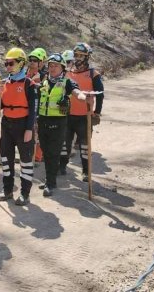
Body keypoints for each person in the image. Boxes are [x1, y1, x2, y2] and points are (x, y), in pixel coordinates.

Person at [37, 53, 89, 197]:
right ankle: (49, 179)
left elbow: (76, 91)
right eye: (50, 65)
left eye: (55, 65)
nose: (52, 68)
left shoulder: (66, 82)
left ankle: (50, 183)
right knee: (46, 153)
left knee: (53, 152)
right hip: (43, 121)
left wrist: (82, 96)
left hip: (58, 122)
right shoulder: (44, 81)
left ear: (62, 68)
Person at [0, 48, 37, 205]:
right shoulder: (5, 83)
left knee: (25, 161)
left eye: (11, 63)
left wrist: (29, 130)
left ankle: (25, 193)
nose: (8, 66)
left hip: (23, 124)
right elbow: (0, 106)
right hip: (7, 125)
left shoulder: (29, 84)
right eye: (6, 64)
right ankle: (7, 190)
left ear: (21, 63)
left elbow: (33, 109)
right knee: (6, 159)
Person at [59, 43, 104, 181]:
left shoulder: (93, 74)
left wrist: (96, 112)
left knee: (84, 145)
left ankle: (85, 171)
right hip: (68, 115)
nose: (77, 58)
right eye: (76, 55)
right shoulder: (68, 72)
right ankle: (61, 167)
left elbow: (100, 94)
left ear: (87, 57)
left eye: (81, 55)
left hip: (85, 116)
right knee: (65, 144)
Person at [28, 47, 48, 166]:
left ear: (41, 62)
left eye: (35, 60)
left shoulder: (44, 75)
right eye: (30, 59)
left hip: (39, 107)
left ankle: (37, 156)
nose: (31, 62)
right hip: (28, 106)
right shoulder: (27, 72)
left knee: (37, 133)